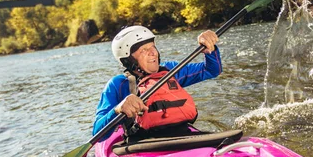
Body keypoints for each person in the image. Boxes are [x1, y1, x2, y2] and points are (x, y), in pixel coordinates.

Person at [93, 25, 221, 141]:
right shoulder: (118, 85)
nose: (153, 52)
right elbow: (97, 133)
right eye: (143, 50)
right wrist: (117, 109)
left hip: (183, 135)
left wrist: (210, 49)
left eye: (152, 46)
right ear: (128, 60)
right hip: (144, 144)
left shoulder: (171, 71)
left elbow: (211, 70)